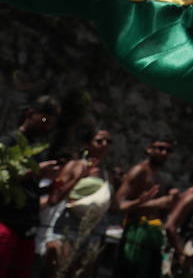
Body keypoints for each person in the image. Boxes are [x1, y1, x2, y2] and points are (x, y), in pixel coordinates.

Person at [0, 96, 62, 278]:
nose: (46, 127)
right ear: (29, 114)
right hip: (5, 223)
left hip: (27, 229)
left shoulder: (37, 148)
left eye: (50, 123)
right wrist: (34, 172)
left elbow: (31, 190)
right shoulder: (8, 142)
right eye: (43, 120)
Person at [43, 128, 114, 278]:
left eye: (108, 141)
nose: (104, 144)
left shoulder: (106, 173)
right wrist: (80, 176)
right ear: (88, 144)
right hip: (67, 228)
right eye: (99, 141)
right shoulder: (74, 165)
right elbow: (54, 198)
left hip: (91, 231)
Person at [112, 138, 179, 278]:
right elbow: (118, 205)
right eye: (160, 148)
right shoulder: (139, 171)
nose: (164, 153)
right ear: (149, 149)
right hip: (136, 234)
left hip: (153, 235)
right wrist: (151, 203)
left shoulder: (163, 177)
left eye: (168, 150)